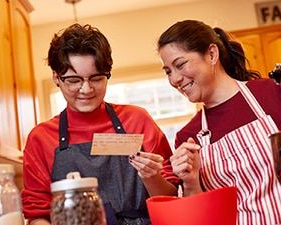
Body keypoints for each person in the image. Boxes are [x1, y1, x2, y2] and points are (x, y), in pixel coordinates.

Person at [21, 23, 179, 225]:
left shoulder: (137, 120)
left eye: (96, 78)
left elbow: (171, 198)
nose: (86, 89)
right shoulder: (41, 138)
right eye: (74, 80)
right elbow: (38, 214)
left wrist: (152, 177)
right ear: (56, 78)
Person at [157, 19, 281, 225]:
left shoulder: (272, 93)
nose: (174, 79)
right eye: (168, 71)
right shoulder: (188, 137)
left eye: (180, 65)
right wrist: (190, 182)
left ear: (212, 55)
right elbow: (203, 217)